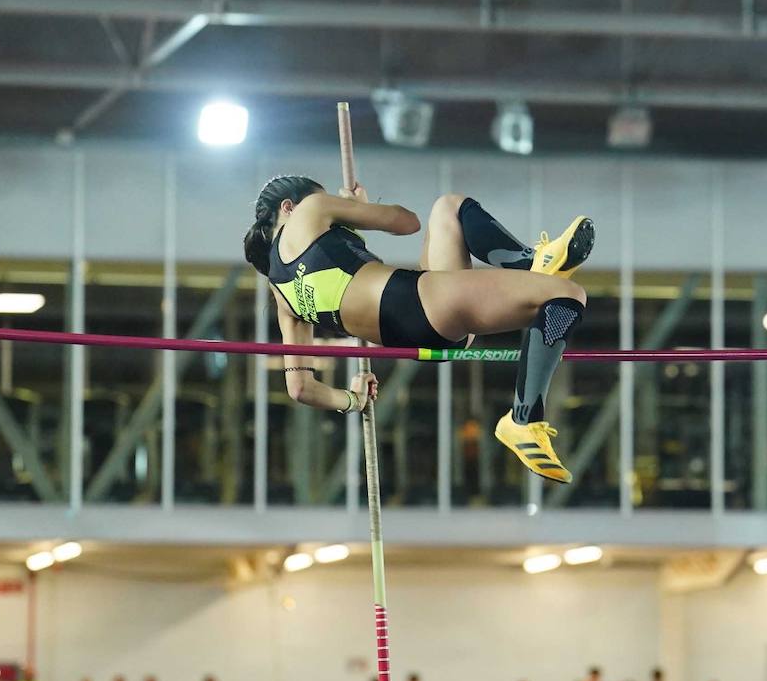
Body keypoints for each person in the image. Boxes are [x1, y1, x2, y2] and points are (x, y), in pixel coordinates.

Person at [245, 177, 594, 482]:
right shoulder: (312, 210)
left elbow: (300, 388)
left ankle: (535, 262)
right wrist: (357, 209)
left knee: (450, 208)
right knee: (567, 295)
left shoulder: (282, 296)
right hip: (418, 302)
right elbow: (405, 222)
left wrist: (353, 400)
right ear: (290, 207)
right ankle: (523, 420)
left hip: (422, 326)